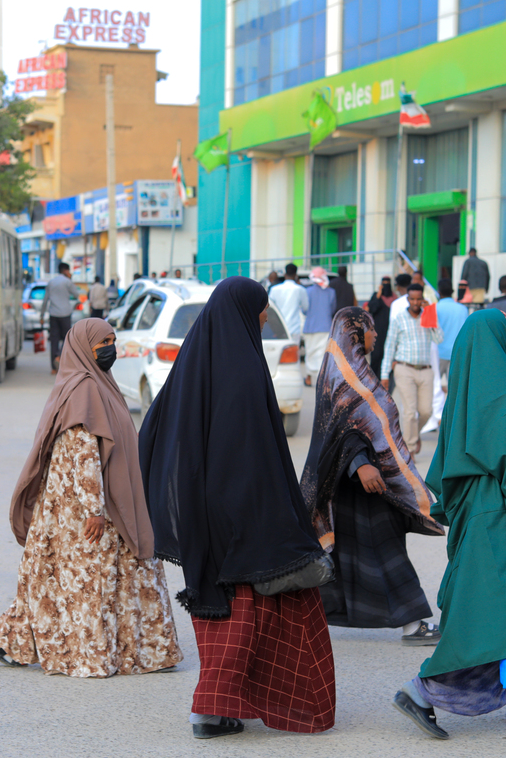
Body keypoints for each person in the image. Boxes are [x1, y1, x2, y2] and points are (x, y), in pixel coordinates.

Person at [140, 277, 336, 740]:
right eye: (262, 309)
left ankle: (221, 707)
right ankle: (212, 708)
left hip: (201, 512)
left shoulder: (192, 362)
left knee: (216, 607)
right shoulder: (245, 370)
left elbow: (154, 435)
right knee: (249, 610)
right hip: (242, 511)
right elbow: (258, 454)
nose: (265, 317)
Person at [0, 319, 183, 678]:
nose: (110, 348)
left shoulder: (94, 384)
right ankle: (80, 650)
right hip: (84, 507)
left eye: (112, 340)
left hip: (92, 501)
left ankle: (12, 639)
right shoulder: (85, 389)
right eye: (102, 341)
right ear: (83, 347)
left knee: (64, 577)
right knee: (87, 579)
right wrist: (94, 510)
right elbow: (84, 452)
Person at [393, 309, 506, 740]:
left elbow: (444, 473)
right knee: (485, 619)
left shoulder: (464, 397)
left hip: (477, 519)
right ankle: (421, 692)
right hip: (499, 524)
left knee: (505, 611)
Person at [299, 308, 445, 645]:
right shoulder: (342, 375)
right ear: (354, 332)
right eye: (370, 330)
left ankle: (306, 619)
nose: (375, 336)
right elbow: (344, 429)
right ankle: (413, 623)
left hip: (358, 486)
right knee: (385, 549)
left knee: (344, 556)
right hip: (360, 483)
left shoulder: (356, 371)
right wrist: (360, 464)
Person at [380, 284, 443, 455]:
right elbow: (389, 347)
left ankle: (413, 435)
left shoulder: (428, 316)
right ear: (408, 299)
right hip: (404, 368)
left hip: (425, 370)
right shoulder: (398, 319)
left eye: (418, 299)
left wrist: (430, 313)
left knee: (426, 411)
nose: (415, 302)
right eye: (412, 299)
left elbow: (439, 339)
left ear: (422, 299)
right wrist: (385, 375)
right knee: (409, 412)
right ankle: (409, 450)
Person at [39, 261, 82, 373]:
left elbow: (45, 300)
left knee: (54, 340)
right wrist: (70, 280)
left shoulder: (51, 282)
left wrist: (42, 315)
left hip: (53, 314)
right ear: (66, 271)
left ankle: (53, 368)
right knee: (67, 339)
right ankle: (59, 357)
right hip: (65, 314)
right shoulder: (67, 282)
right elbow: (77, 295)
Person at [303, 267, 338, 387]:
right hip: (325, 327)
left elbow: (304, 309)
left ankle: (308, 378)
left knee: (310, 352)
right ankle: (321, 379)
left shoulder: (307, 291)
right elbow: (333, 309)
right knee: (323, 354)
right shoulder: (331, 292)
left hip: (310, 327)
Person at [435, 278, 469, 391]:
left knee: (434, 390)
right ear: (452, 291)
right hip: (457, 354)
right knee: (456, 390)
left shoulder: (435, 308)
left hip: (439, 353)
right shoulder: (463, 309)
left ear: (439, 292)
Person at [367, 275, 399, 378]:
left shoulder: (394, 298)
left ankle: (385, 377)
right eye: (384, 283)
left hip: (390, 331)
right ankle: (373, 378)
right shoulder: (376, 296)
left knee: (387, 355)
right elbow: (372, 309)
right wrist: (378, 295)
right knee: (376, 355)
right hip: (377, 331)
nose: (386, 286)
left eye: (387, 283)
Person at [269, 263, 309, 342]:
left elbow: (270, 308)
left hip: (278, 328)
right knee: (293, 352)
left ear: (284, 274)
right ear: (296, 275)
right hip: (294, 328)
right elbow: (306, 308)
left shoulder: (274, 289)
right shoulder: (300, 289)